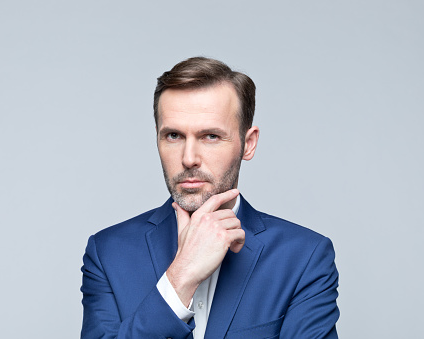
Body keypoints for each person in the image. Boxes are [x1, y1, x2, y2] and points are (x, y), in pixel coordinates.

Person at [80, 57, 340, 339]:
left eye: (211, 136)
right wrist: (180, 280)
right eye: (174, 135)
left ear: (248, 144)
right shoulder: (108, 253)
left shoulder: (303, 257)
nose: (189, 158)